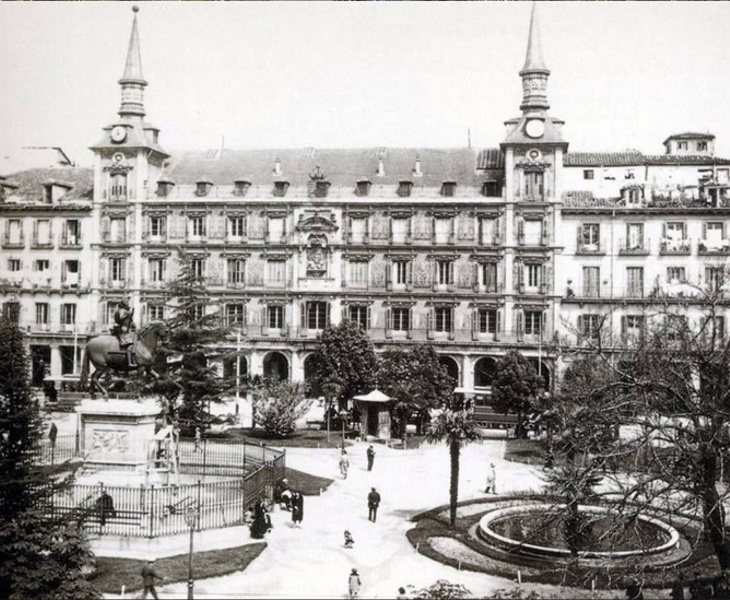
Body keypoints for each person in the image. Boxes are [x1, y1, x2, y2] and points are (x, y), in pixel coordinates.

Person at [112, 299, 137, 367]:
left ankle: (134, 359)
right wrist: (129, 314)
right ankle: (129, 363)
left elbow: (130, 322)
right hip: (122, 330)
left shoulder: (125, 312)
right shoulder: (121, 311)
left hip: (127, 330)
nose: (128, 305)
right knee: (130, 345)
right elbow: (121, 318)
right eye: (127, 304)